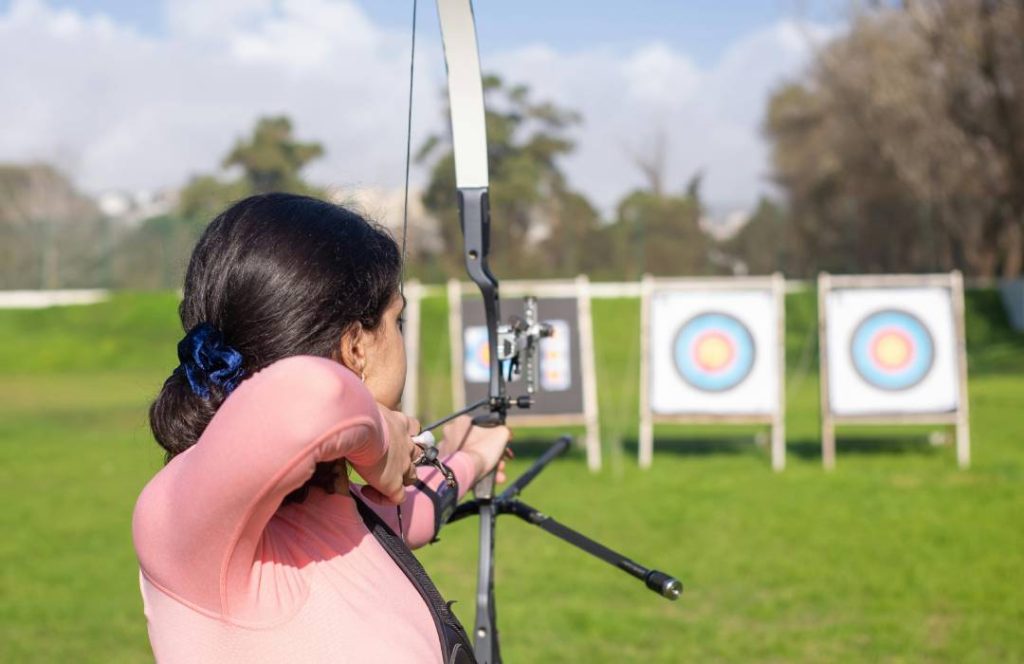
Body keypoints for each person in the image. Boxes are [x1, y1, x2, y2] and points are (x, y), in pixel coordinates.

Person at [132, 193, 509, 663]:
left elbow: (406, 512)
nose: (401, 336)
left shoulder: (341, 512)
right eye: (398, 320)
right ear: (355, 348)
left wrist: (468, 456)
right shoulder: (186, 531)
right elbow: (309, 394)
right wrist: (379, 438)